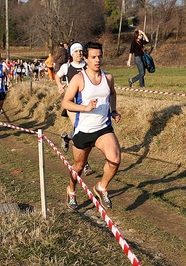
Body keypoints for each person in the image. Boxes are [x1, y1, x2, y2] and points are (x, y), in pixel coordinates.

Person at [62, 41, 121, 210]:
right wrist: (85, 108)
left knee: (115, 159)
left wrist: (114, 110)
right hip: (84, 131)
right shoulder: (79, 79)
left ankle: (101, 187)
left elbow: (112, 93)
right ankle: (71, 190)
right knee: (79, 167)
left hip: (103, 128)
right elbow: (66, 103)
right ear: (86, 58)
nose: (97, 60)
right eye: (93, 57)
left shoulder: (108, 78)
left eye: (100, 56)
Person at [55, 42, 95, 176]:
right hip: (72, 103)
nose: (78, 53)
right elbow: (57, 76)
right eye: (76, 51)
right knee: (79, 129)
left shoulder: (87, 66)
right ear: (71, 54)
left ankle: (66, 138)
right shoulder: (67, 67)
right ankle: (85, 164)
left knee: (85, 129)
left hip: (85, 103)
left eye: (80, 51)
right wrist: (59, 86)